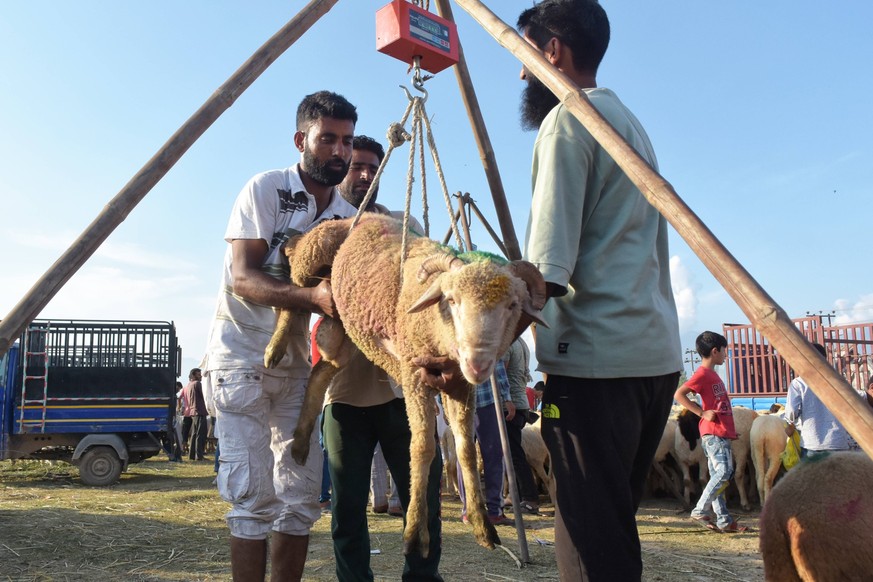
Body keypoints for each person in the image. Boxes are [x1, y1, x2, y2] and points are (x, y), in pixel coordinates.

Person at [516, 1, 683, 579]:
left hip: (594, 365)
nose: (520, 72)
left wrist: (473, 353)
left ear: (552, 51)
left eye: (524, 53)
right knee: (613, 524)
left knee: (588, 540)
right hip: (652, 360)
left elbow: (545, 274)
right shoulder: (627, 122)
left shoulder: (567, 122)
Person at [203, 90, 359, 581]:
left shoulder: (347, 219)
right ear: (301, 139)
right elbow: (242, 278)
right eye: (328, 139)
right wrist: (313, 299)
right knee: (253, 498)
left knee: (300, 499)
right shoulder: (266, 189)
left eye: (347, 142)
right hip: (240, 359)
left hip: (297, 373)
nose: (339, 151)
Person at [319, 134, 442, 581]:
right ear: (341, 169)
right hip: (344, 394)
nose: (366, 175)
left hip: (402, 393)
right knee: (348, 508)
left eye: (374, 167)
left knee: (423, 497)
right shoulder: (330, 231)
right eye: (357, 167)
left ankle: (423, 576)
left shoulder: (403, 226)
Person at [674, 332, 747, 534]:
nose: (726, 354)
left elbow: (721, 407)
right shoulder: (703, 374)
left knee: (718, 476)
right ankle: (699, 509)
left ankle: (724, 520)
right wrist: (701, 412)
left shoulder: (713, 375)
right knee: (724, 473)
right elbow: (679, 394)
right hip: (713, 433)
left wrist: (730, 431)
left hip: (721, 433)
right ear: (715, 351)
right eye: (725, 351)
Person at [785, 342, 869, 458]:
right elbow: (857, 397)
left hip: (812, 444)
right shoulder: (838, 381)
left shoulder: (798, 383)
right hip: (838, 443)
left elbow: (791, 412)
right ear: (824, 359)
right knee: (839, 476)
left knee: (813, 476)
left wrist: (790, 424)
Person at [457, 360, 514, 527]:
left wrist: (506, 397)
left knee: (494, 455)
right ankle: (470, 509)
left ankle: (494, 510)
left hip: (487, 400)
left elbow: (496, 361)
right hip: (461, 402)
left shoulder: (487, 335)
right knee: (465, 457)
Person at [502, 337, 540, 514]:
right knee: (510, 453)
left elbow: (502, 375)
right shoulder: (521, 343)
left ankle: (530, 499)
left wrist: (506, 400)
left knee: (514, 454)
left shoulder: (507, 343)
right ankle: (514, 496)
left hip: (510, 405)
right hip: (521, 404)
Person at [185, 368, 208, 461]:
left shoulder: (189, 385)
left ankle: (192, 455)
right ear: (194, 375)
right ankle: (199, 455)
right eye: (199, 375)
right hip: (200, 411)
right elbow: (204, 395)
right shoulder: (197, 384)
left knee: (194, 434)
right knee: (200, 434)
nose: (201, 376)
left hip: (193, 411)